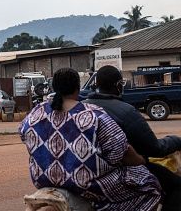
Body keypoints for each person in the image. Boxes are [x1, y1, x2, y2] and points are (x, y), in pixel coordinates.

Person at [19, 67, 162, 210]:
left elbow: (23, 134)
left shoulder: (36, 112)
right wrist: (141, 160)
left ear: (54, 87)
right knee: (150, 186)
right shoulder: (94, 115)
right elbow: (120, 153)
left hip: (43, 180)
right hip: (85, 185)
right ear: (78, 88)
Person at [84, 65, 181, 210]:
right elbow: (154, 148)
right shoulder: (126, 111)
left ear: (96, 84)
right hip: (119, 171)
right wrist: (176, 140)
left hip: (86, 170)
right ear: (118, 85)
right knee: (177, 186)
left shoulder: (82, 107)